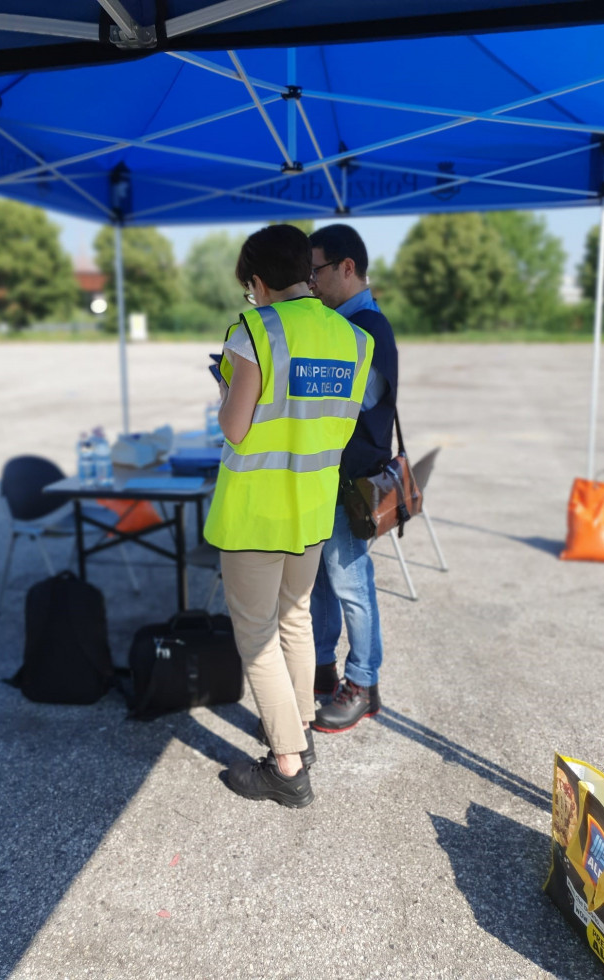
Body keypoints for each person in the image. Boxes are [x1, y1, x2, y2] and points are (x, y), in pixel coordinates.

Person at [204, 224, 374, 808]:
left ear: (257, 281)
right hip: (311, 507)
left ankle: (287, 767)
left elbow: (235, 426)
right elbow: (339, 424)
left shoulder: (254, 330)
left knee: (256, 638)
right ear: (305, 268)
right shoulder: (352, 337)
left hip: (255, 512)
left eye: (249, 288)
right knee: (295, 620)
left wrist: (225, 383)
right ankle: (300, 729)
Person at [308, 224, 398, 734]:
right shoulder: (345, 323)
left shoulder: (367, 328)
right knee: (322, 583)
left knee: (351, 584)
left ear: (346, 267)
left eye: (316, 269)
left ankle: (363, 683)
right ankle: (322, 665)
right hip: (329, 478)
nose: (311, 281)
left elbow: (354, 403)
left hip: (350, 481)